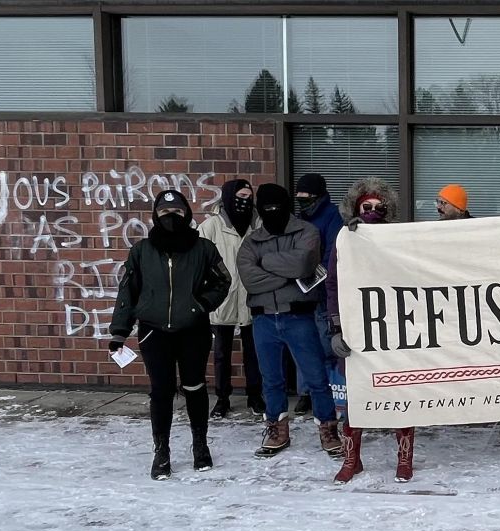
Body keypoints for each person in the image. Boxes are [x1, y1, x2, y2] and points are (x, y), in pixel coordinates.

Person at [109, 190, 231, 480]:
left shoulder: (203, 247)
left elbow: (222, 281)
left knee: (194, 387)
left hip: (193, 330)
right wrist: (119, 332)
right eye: (165, 213)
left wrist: (201, 304)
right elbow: (128, 291)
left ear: (187, 214)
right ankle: (161, 451)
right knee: (161, 391)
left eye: (177, 213)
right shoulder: (142, 251)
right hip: (154, 332)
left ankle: (200, 444)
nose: (171, 218)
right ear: (155, 216)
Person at [326, 177, 419, 484]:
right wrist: (336, 327)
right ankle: (352, 459)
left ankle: (404, 458)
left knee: (399, 393)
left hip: (392, 328)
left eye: (380, 207)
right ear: (356, 207)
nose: (373, 211)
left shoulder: (397, 238)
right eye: (367, 207)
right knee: (355, 397)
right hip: (356, 329)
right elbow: (332, 285)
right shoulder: (343, 239)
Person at [237, 183, 340, 459]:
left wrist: (266, 263)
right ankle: (276, 429)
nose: (272, 212)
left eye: (277, 206)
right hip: (263, 319)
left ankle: (328, 429)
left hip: (300, 316)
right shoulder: (251, 241)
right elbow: (250, 279)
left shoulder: (307, 231)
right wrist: (288, 273)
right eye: (266, 208)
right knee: (271, 380)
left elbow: (304, 264)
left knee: (316, 377)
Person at [197, 179, 265, 418]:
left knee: (253, 351)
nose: (244, 202)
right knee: (221, 353)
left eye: (248, 197)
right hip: (222, 298)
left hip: (252, 295)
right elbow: (200, 261)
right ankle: (222, 399)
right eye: (239, 196)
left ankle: (255, 396)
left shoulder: (258, 224)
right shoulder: (210, 226)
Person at [292, 173, 342, 415]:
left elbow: (333, 251)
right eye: (299, 197)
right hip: (300, 291)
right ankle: (305, 393)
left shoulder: (332, 216)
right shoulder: (299, 217)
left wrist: (313, 274)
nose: (302, 201)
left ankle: (327, 390)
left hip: (321, 290)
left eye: (307, 197)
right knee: (303, 344)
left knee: (324, 344)